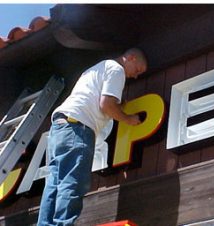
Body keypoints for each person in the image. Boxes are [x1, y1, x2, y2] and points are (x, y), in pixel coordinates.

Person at [37, 48, 147, 226]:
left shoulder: (97, 69)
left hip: (60, 127)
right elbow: (106, 105)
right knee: (72, 182)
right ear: (130, 58)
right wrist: (128, 119)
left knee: (54, 184)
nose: (136, 76)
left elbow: (100, 100)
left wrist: (120, 105)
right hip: (78, 128)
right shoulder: (116, 69)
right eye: (138, 69)